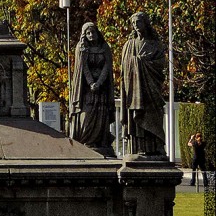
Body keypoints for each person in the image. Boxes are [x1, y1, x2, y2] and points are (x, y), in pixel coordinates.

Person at [120, 12, 166, 157]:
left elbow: (161, 63)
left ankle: (156, 146)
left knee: (154, 117)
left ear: (146, 23)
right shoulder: (128, 45)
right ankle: (137, 148)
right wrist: (135, 63)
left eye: (139, 22)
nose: (136, 25)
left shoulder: (156, 45)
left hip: (151, 90)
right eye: (133, 23)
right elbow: (123, 69)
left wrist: (142, 62)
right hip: (134, 91)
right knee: (136, 118)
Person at [69, 22, 115, 150]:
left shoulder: (104, 47)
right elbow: (83, 67)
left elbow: (107, 66)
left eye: (93, 32)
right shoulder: (81, 47)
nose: (91, 35)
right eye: (88, 33)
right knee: (87, 115)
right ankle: (87, 141)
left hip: (102, 88)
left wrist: (99, 82)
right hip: (87, 89)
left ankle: (101, 142)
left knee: (101, 113)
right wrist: (91, 83)